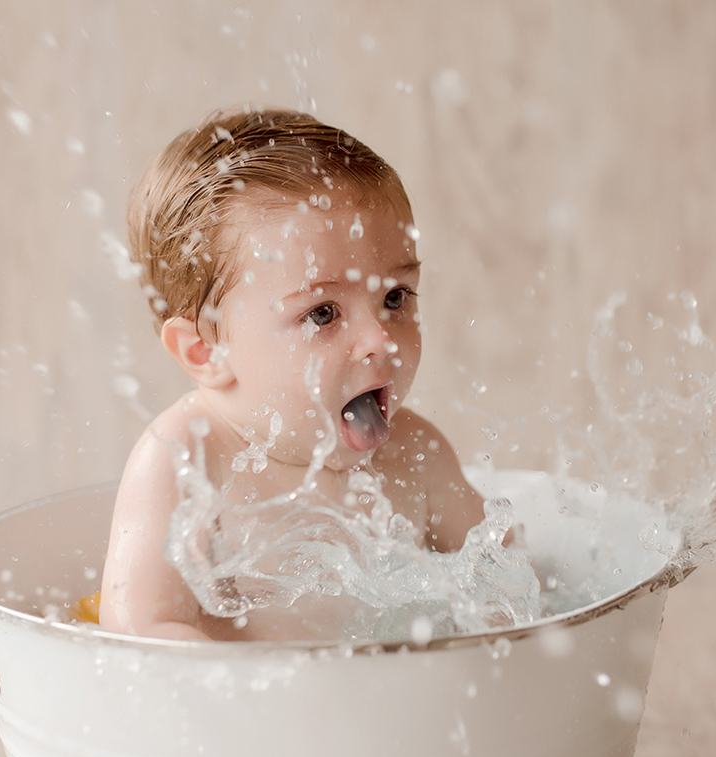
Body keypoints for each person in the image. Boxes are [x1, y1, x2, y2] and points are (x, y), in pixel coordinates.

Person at [98, 107, 502, 641]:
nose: (381, 339)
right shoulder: (185, 461)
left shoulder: (416, 453)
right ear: (205, 350)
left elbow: (505, 582)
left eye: (394, 297)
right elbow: (140, 625)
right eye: (323, 313)